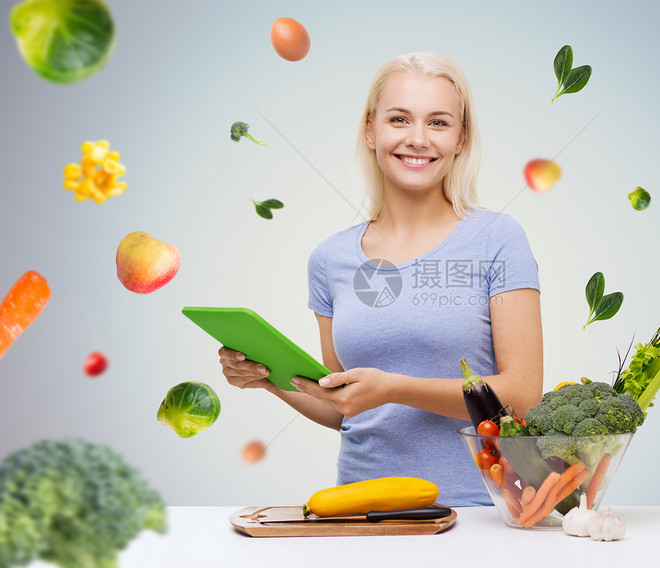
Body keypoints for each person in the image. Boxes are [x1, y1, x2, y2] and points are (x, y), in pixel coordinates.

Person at [219, 52, 543, 506]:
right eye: (399, 119)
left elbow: (523, 398)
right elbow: (345, 404)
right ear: (370, 130)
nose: (417, 139)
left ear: (460, 139)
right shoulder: (329, 259)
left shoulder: (497, 239)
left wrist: (395, 388)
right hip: (359, 507)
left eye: (438, 123)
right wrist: (267, 378)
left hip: (479, 509)